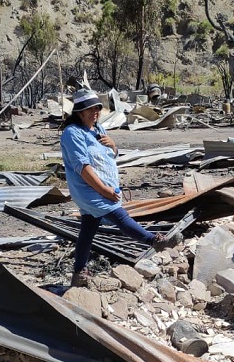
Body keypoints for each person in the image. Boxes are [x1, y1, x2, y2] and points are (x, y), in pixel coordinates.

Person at [61, 88, 180, 287]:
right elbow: (82, 166)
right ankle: (154, 240)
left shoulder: (98, 130)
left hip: (104, 185)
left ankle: (78, 273)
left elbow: (108, 156)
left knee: (88, 229)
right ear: (79, 112)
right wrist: (103, 190)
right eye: (90, 110)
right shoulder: (72, 133)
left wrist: (114, 147)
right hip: (88, 188)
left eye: (97, 108)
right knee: (120, 216)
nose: (95, 113)